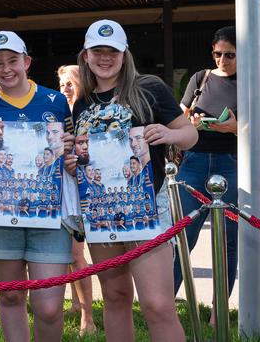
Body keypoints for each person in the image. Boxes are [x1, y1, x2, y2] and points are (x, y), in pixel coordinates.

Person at [63, 19, 197, 341]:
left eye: (113, 51)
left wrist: (169, 133)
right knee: (116, 297)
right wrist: (73, 164)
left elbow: (190, 134)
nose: (105, 58)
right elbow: (84, 157)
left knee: (157, 304)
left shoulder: (149, 87)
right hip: (101, 212)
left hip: (147, 209)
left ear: (125, 55)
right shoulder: (82, 102)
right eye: (98, 50)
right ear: (86, 54)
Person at [0, 30, 75, 340]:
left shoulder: (56, 101)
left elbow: (71, 158)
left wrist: (70, 149)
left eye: (13, 60)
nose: (6, 69)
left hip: (49, 212)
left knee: (49, 307)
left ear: (27, 61)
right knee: (12, 296)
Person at [173, 26, 238, 325]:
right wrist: (192, 120)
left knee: (228, 239)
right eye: (217, 53)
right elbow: (181, 115)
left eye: (229, 55)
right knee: (182, 235)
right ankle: (165, 304)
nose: (222, 59)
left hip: (232, 161)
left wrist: (234, 128)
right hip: (195, 160)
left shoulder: (250, 81)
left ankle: (218, 314)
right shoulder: (202, 77)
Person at [57, 65, 96, 335]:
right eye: (61, 85)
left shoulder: (89, 113)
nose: (65, 89)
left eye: (70, 83)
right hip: (58, 189)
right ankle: (74, 303)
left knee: (75, 254)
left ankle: (88, 318)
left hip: (81, 193)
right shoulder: (58, 112)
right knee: (68, 255)